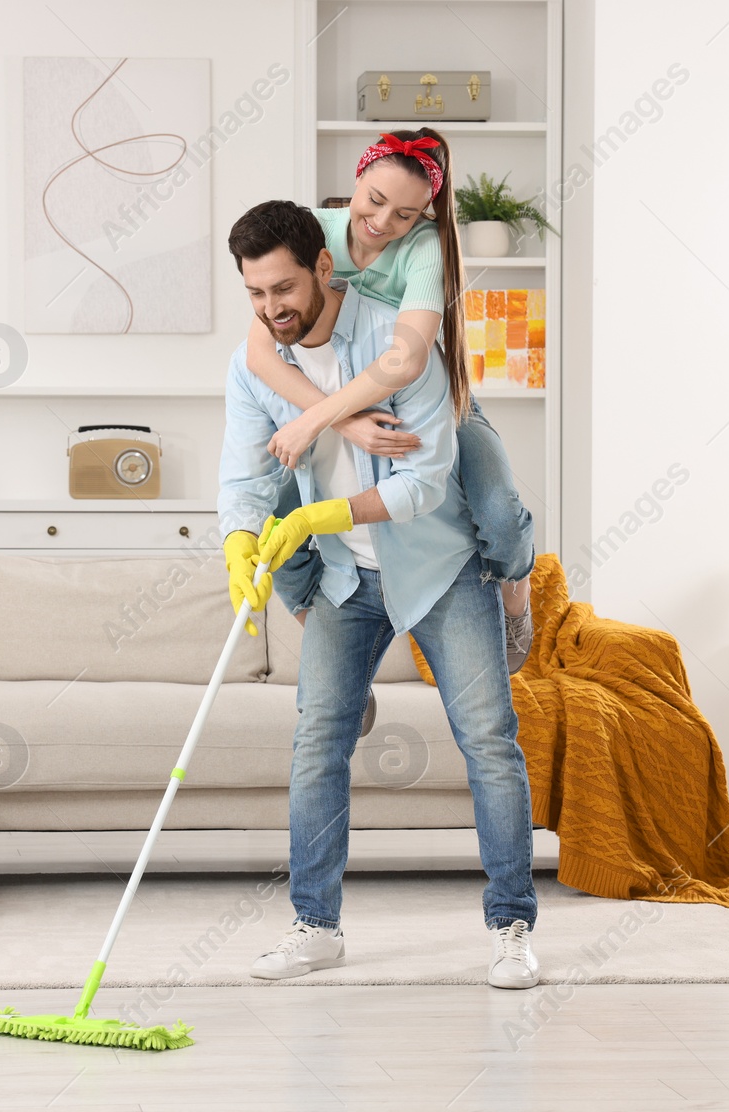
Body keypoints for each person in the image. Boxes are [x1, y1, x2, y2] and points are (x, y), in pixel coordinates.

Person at [219, 199, 538, 989]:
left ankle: (512, 927)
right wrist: (235, 539)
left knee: (490, 742)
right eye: (256, 295)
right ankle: (315, 926)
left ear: (325, 268)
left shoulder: (400, 345)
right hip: (342, 577)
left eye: (284, 289)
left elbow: (427, 483)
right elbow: (244, 474)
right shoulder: (256, 362)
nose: (272, 309)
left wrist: (330, 508)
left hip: (438, 567)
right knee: (318, 740)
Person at [247, 130, 536, 690]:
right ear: (357, 179)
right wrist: (338, 420)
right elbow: (260, 353)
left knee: (499, 510)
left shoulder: (426, 246)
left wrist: (321, 418)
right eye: (374, 200)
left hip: (431, 400)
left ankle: (518, 605)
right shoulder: (313, 229)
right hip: (327, 402)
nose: (382, 222)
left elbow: (406, 361)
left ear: (423, 213)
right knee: (270, 517)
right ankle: (337, 673)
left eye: (405, 213)